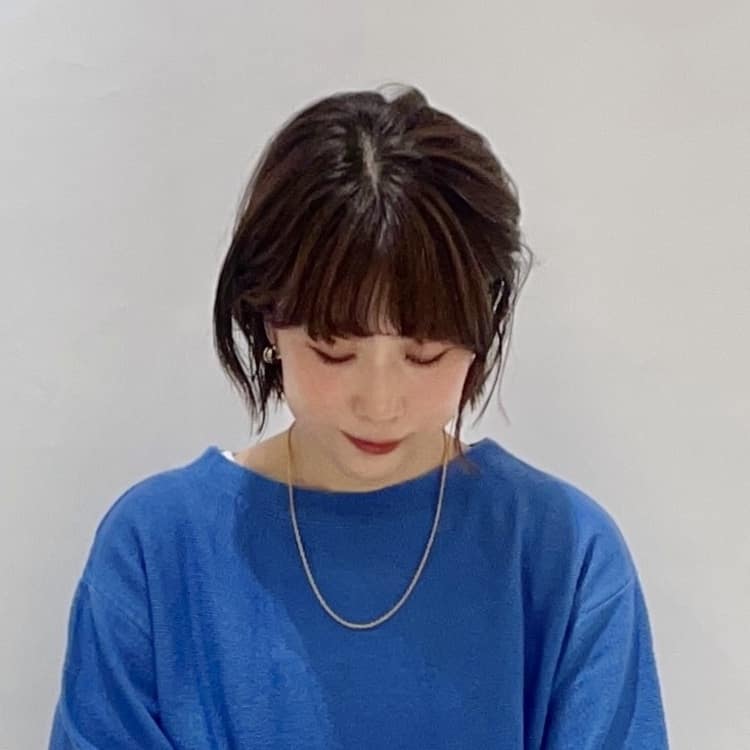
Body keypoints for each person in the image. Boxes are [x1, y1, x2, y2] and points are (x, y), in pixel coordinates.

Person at [48, 84, 669, 748]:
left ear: (483, 328)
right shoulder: (157, 551)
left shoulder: (564, 556)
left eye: (425, 354)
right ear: (267, 320)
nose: (380, 403)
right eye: (333, 350)